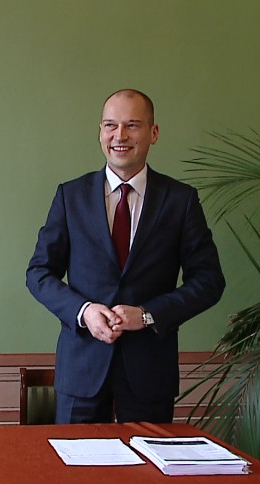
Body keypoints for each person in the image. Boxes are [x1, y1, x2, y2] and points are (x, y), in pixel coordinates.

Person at [26, 89, 225, 424]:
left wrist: (147, 315)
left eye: (132, 125)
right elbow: (39, 273)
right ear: (100, 132)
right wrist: (84, 312)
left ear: (153, 133)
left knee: (147, 460)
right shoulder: (70, 196)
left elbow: (209, 281)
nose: (120, 136)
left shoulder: (180, 201)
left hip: (150, 372)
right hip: (82, 371)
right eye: (110, 125)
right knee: (76, 460)